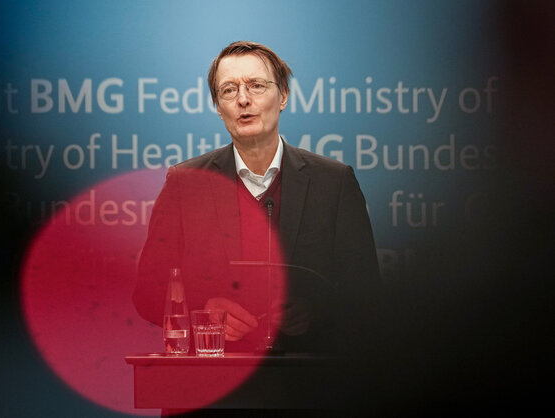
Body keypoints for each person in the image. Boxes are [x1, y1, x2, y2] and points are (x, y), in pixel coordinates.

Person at [134, 41, 380, 354]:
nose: (243, 99)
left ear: (284, 96)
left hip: (308, 380)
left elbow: (367, 296)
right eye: (228, 90)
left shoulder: (334, 182)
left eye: (257, 86)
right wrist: (204, 313)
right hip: (211, 383)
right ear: (219, 109)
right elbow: (147, 294)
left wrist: (314, 314)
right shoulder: (185, 184)